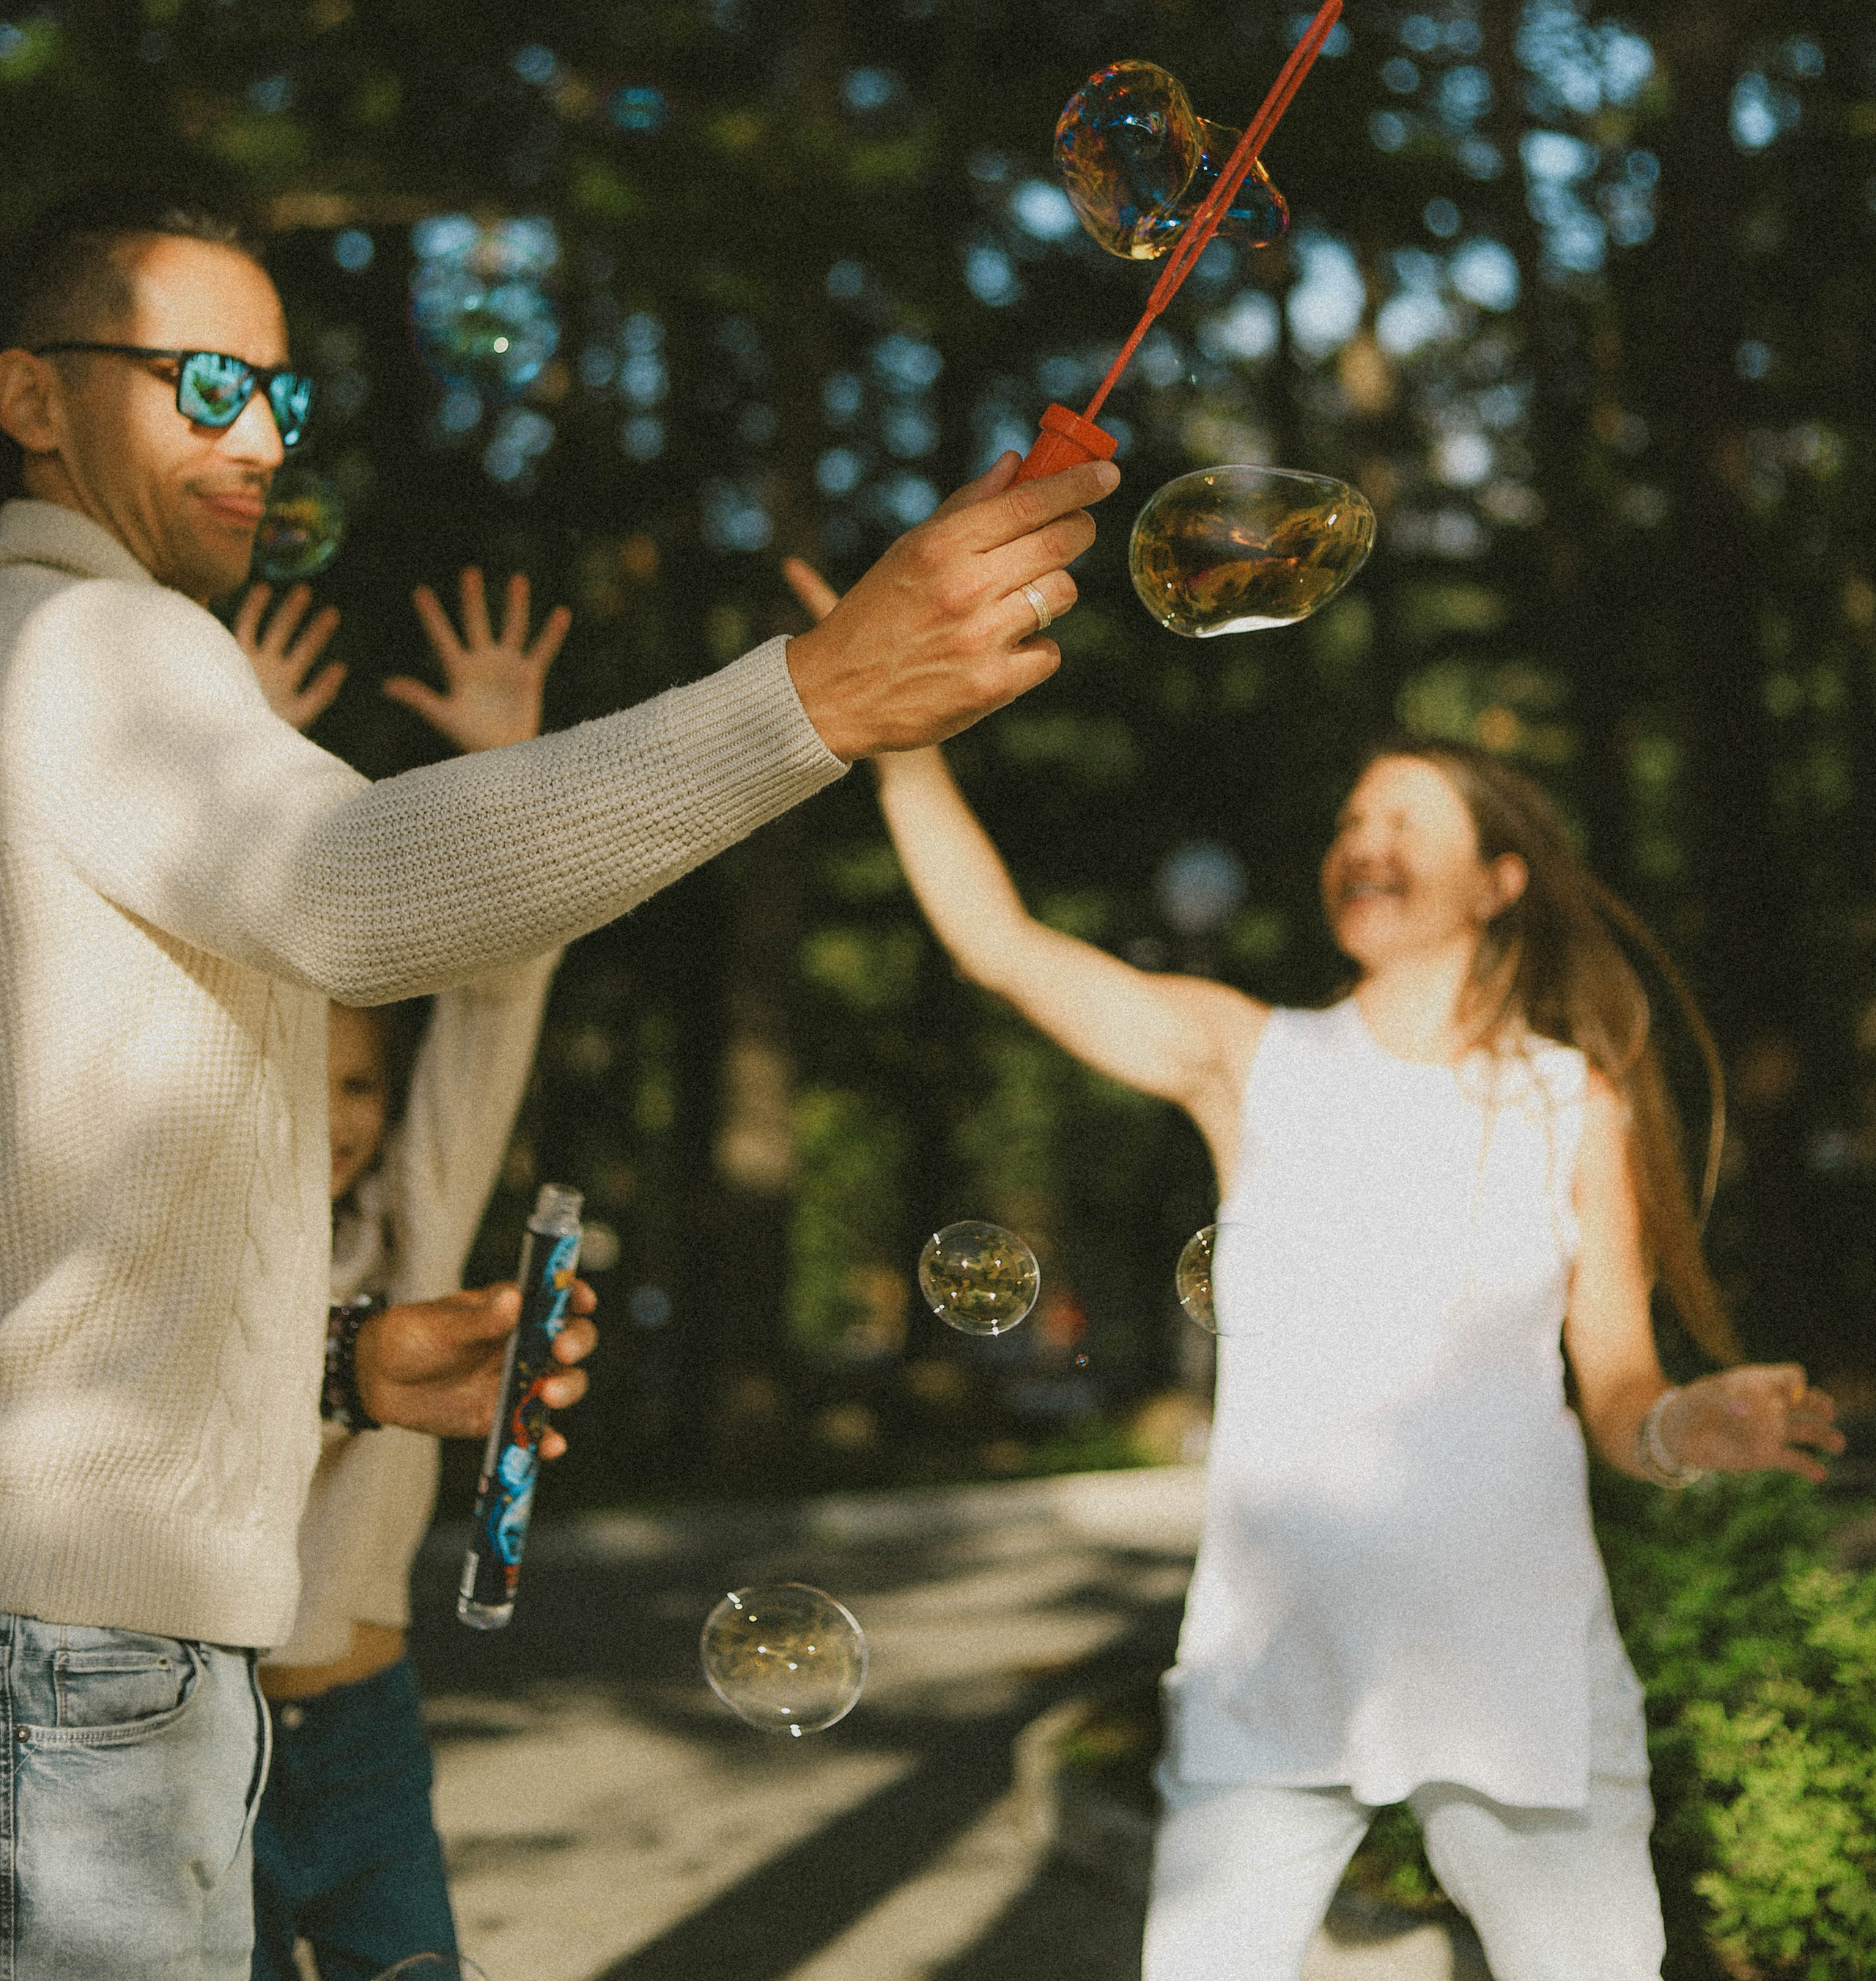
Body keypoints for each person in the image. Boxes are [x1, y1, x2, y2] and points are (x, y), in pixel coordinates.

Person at [0, 188, 1114, 1981]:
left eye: (282, 392)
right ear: (32, 398)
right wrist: (816, 696)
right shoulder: (88, 642)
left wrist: (339, 1363)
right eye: (204, 381)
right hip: (77, 1662)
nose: (263, 438)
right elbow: (354, 891)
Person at [783, 569, 1839, 1981]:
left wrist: (1681, 1427)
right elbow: (1001, 949)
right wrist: (900, 741)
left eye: (1406, 822)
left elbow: (1618, 1390)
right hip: (1277, 1656)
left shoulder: (1572, 1099)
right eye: (1350, 823)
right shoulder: (1253, 1059)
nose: (1364, 844)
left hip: (1516, 1655)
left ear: (1501, 881)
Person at [234, 567, 570, 1981]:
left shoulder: (409, 1240)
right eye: (306, 1077)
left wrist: (504, 785)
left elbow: (493, 1011)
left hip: (370, 1733)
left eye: (362, 1081)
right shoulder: (182, 1251)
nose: (341, 1116)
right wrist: (235, 769)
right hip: (209, 1749)